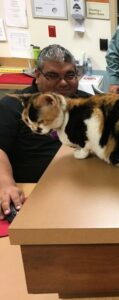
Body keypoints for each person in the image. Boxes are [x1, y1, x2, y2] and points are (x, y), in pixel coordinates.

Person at [0, 44, 91, 220]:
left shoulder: (87, 103)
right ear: (37, 75)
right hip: (35, 193)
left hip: (84, 191)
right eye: (53, 76)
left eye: (69, 75)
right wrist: (5, 184)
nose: (63, 82)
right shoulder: (13, 106)